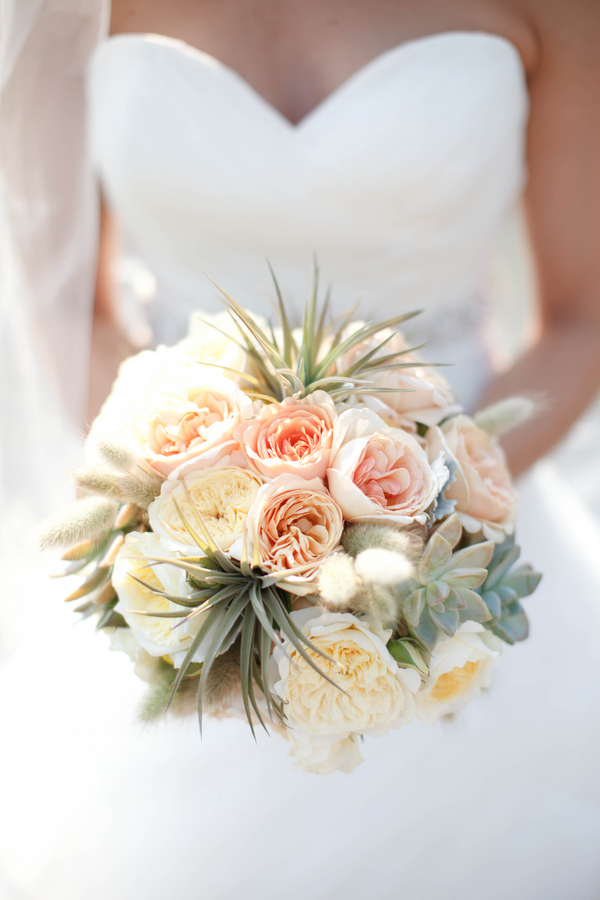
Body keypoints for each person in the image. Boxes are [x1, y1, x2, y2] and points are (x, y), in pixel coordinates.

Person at [1, 1, 600, 897]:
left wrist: (422, 518)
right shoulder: (62, 11)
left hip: (460, 544)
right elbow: (59, 302)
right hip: (183, 551)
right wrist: (197, 516)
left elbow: (583, 318)